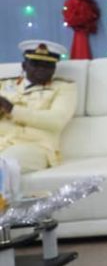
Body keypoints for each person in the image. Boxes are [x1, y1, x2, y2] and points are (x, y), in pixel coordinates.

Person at [0, 39, 76, 174]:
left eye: (48, 65)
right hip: (3, 140)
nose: (42, 69)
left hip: (35, 147)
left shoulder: (65, 88)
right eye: (35, 64)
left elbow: (56, 121)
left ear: (54, 69)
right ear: (24, 66)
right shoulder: (5, 84)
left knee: (4, 165)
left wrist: (12, 109)